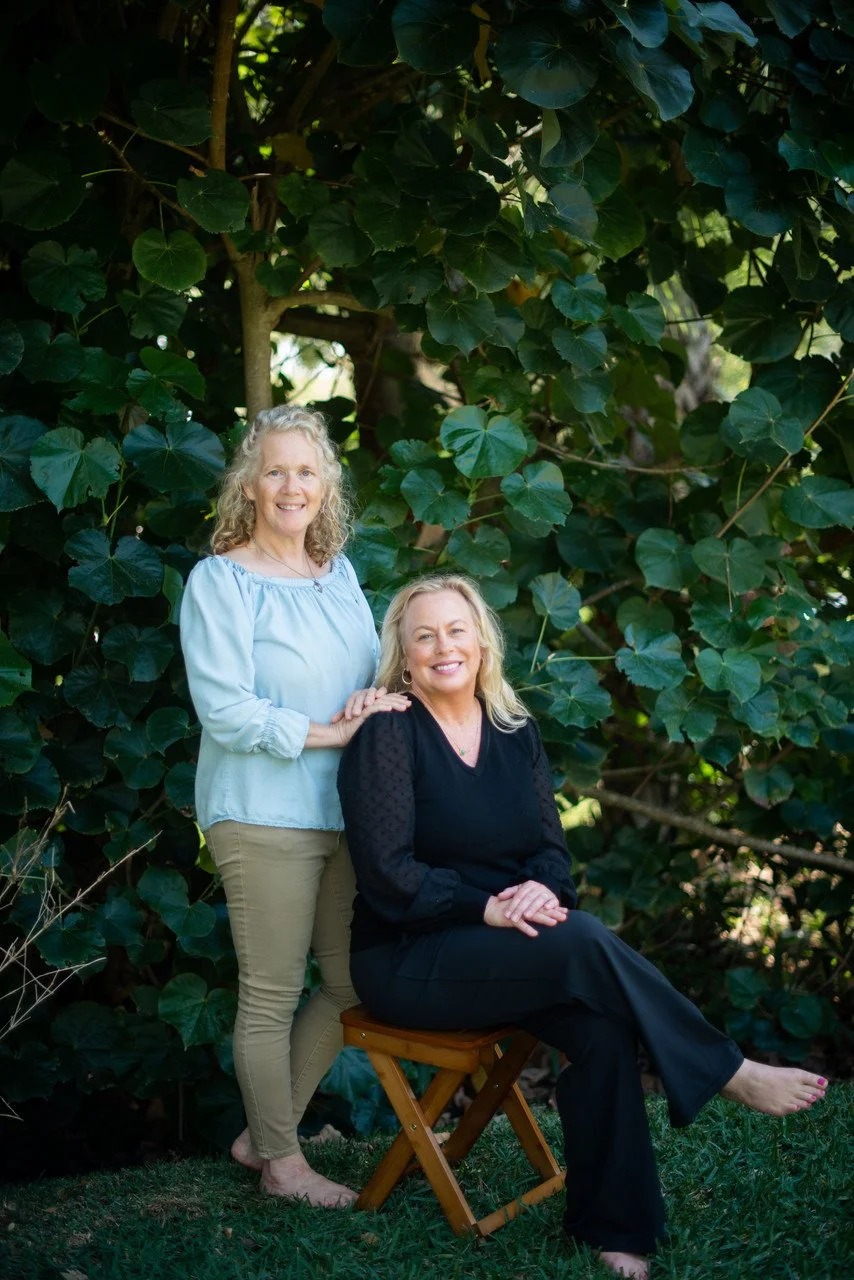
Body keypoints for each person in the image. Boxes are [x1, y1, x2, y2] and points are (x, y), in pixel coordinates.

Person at [337, 573, 828, 1279]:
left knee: (600, 1025)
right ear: (404, 655)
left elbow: (550, 852)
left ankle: (614, 1230)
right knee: (583, 939)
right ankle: (728, 1070)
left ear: (481, 641)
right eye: (424, 635)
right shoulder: (388, 731)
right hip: (409, 959)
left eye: (455, 630)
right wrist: (489, 907)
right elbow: (387, 873)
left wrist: (539, 888)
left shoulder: (514, 730)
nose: (443, 646)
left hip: (510, 949)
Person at [179, 405, 408, 1208]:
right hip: (260, 813)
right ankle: (283, 1165)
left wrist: (373, 705)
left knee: (350, 986)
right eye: (275, 470)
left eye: (306, 472)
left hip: (343, 812)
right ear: (248, 482)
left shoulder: (337, 571)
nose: (291, 486)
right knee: (271, 991)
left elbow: (359, 675)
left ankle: (263, 1133)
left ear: (326, 486)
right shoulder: (221, 580)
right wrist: (331, 733)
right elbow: (226, 712)